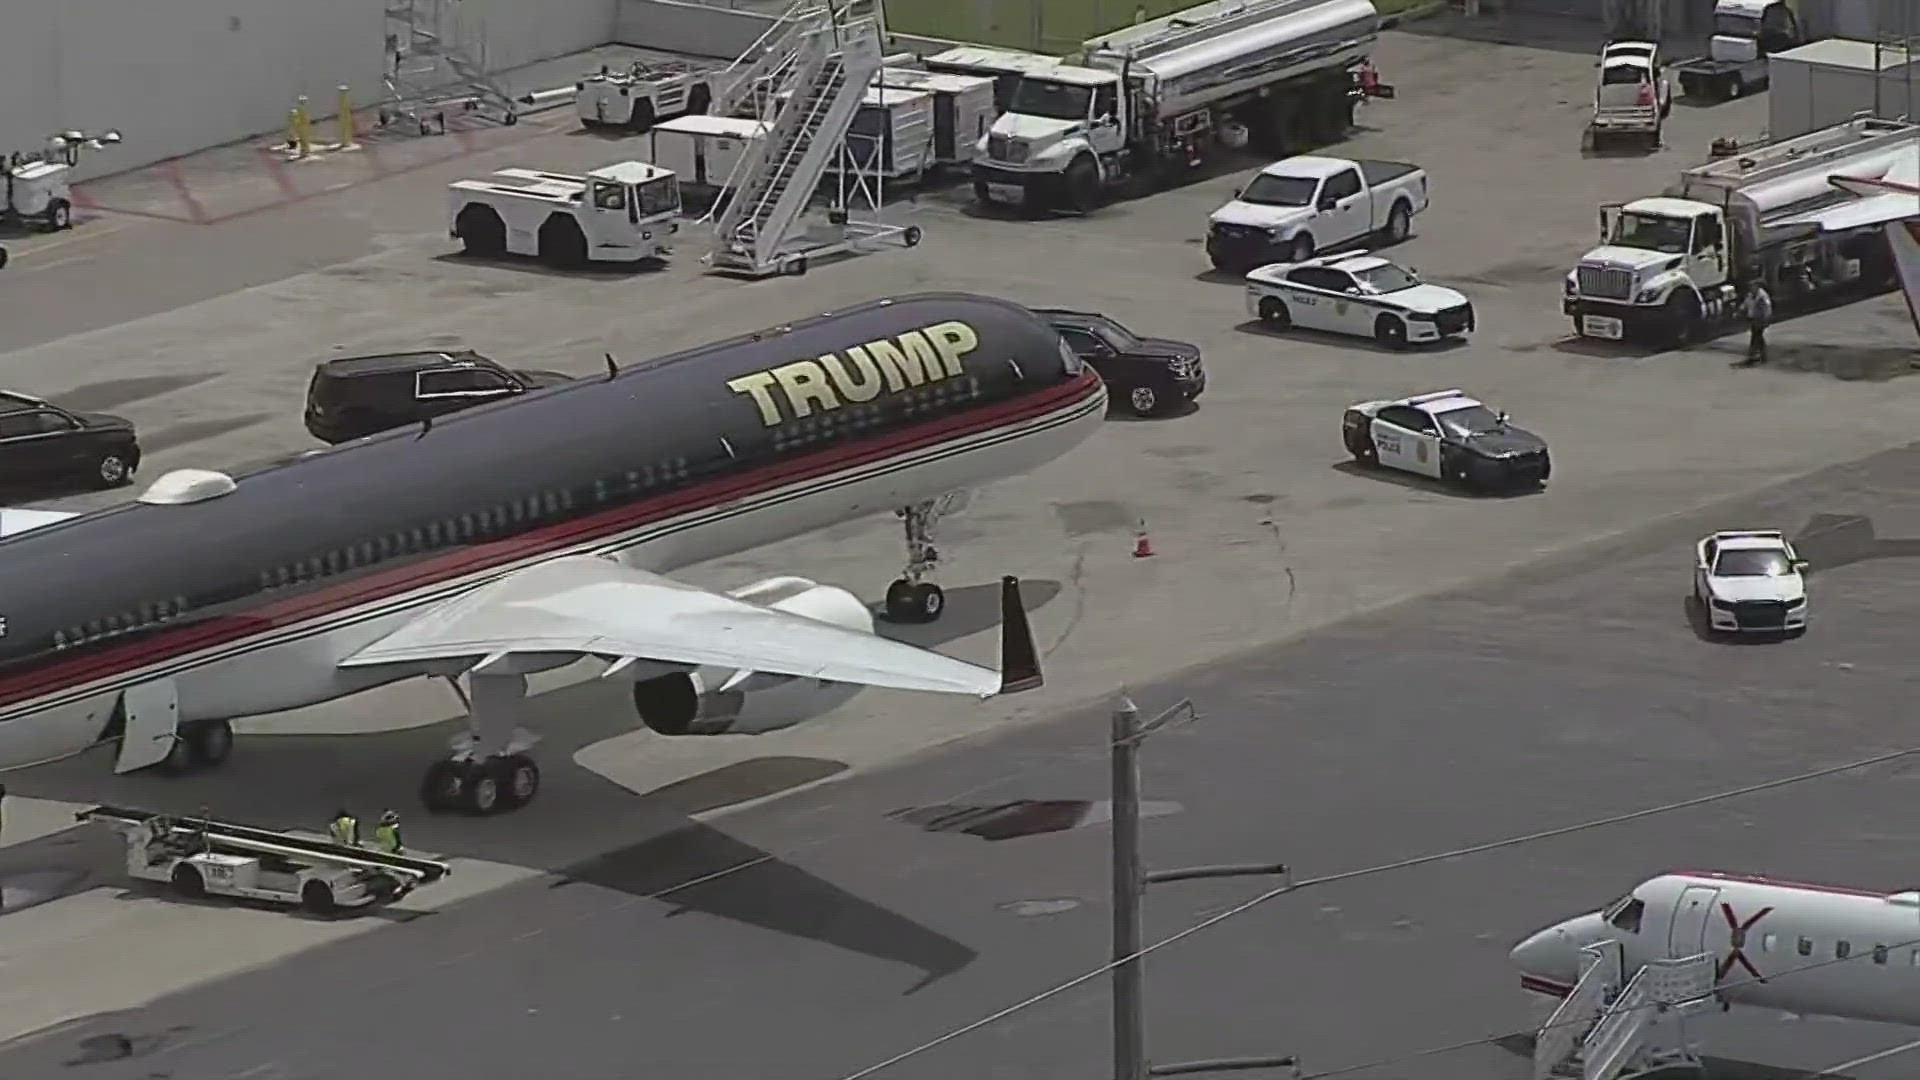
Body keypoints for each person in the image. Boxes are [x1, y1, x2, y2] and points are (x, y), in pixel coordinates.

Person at [1737, 279, 1773, 367]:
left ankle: (1753, 356)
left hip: (1760, 320)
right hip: (1753, 319)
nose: (1751, 288)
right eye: (1750, 286)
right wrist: (1739, 311)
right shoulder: (1751, 295)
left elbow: (1767, 309)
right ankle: (1761, 356)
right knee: (1758, 338)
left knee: (1755, 337)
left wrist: (1766, 320)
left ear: (1757, 287)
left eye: (1752, 286)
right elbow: (1746, 303)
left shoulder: (1762, 296)